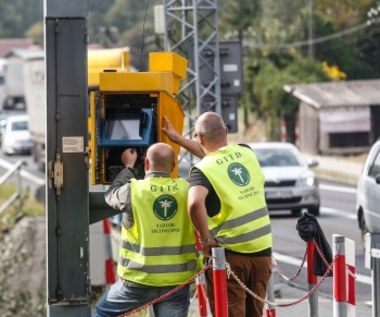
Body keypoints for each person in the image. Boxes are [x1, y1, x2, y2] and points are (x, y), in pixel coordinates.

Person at [162, 112, 273, 317]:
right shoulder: (245, 152)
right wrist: (179, 139)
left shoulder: (202, 171)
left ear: (200, 137)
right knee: (255, 313)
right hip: (262, 252)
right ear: (226, 132)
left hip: (230, 256)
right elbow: (214, 155)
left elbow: (195, 203)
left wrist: (205, 240)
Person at [93, 143, 201, 317]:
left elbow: (110, 195)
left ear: (146, 164)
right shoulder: (186, 189)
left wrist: (127, 167)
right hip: (177, 280)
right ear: (174, 166)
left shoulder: (133, 190)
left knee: (101, 313)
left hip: (138, 280)